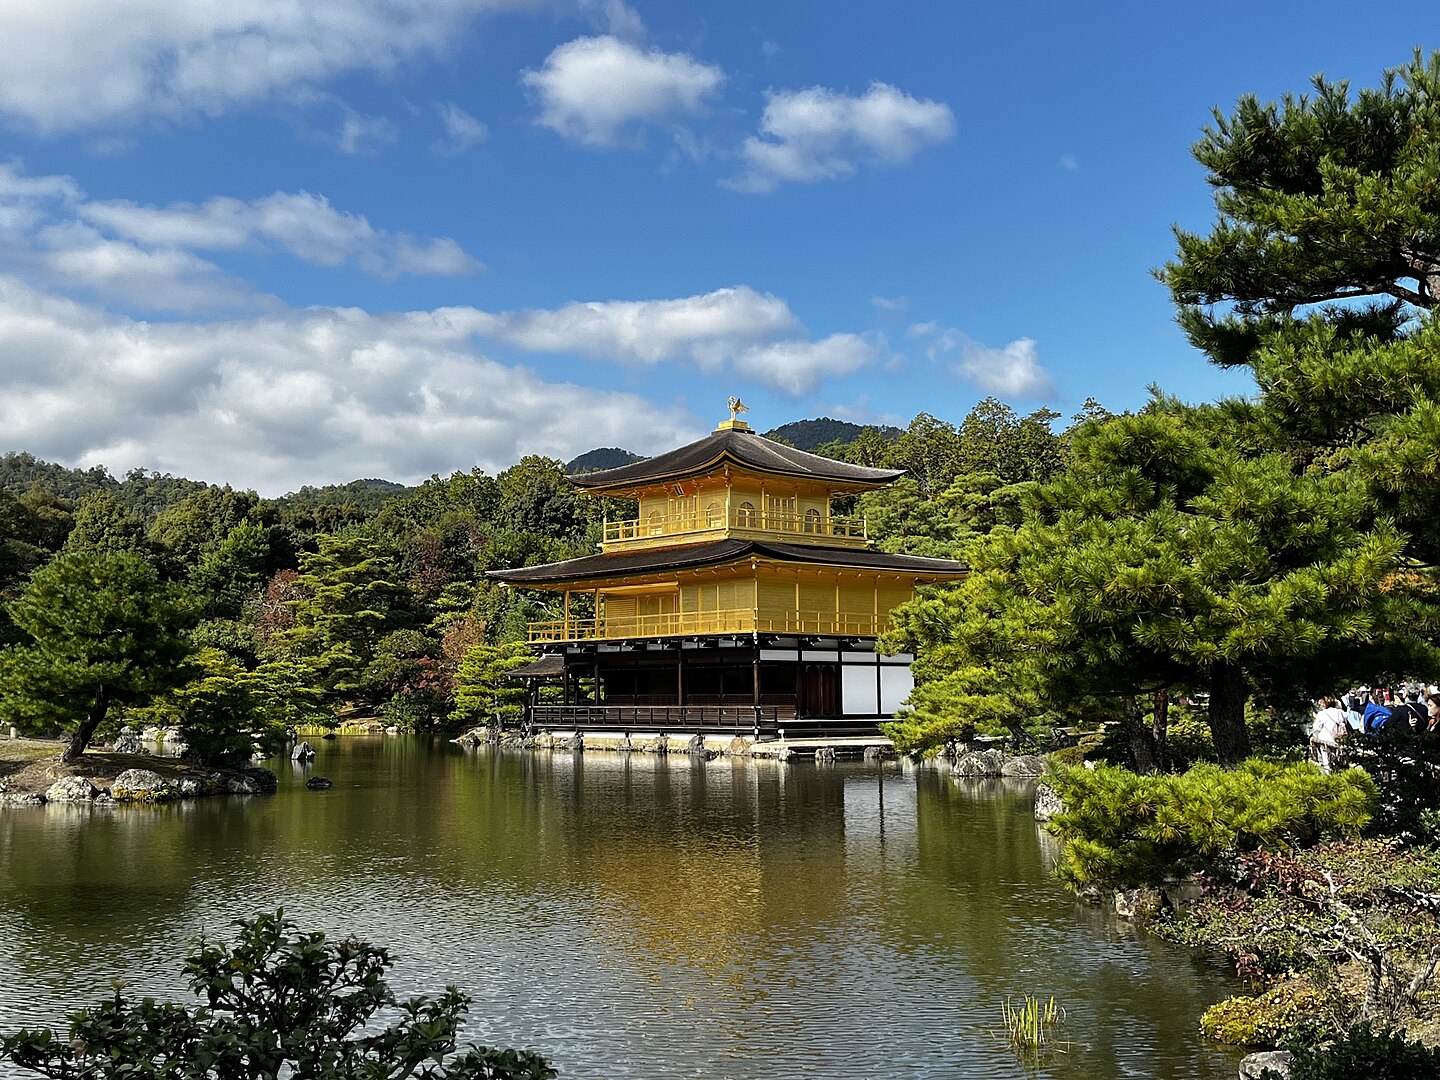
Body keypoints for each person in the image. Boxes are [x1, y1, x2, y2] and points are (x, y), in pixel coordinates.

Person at [1309, 696, 1348, 773]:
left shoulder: (1322, 714)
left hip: (1325, 739)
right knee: (1338, 758)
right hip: (1338, 739)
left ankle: (1328, 775)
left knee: (1326, 759)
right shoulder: (1341, 712)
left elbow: (1316, 727)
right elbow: (1345, 722)